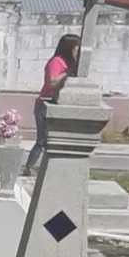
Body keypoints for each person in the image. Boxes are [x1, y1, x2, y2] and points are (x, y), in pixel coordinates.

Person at [23, 34, 80, 175]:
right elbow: (51, 82)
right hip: (46, 103)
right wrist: (66, 74)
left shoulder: (72, 63)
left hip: (61, 103)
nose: (77, 52)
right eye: (76, 49)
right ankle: (29, 167)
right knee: (42, 140)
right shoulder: (56, 62)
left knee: (55, 141)